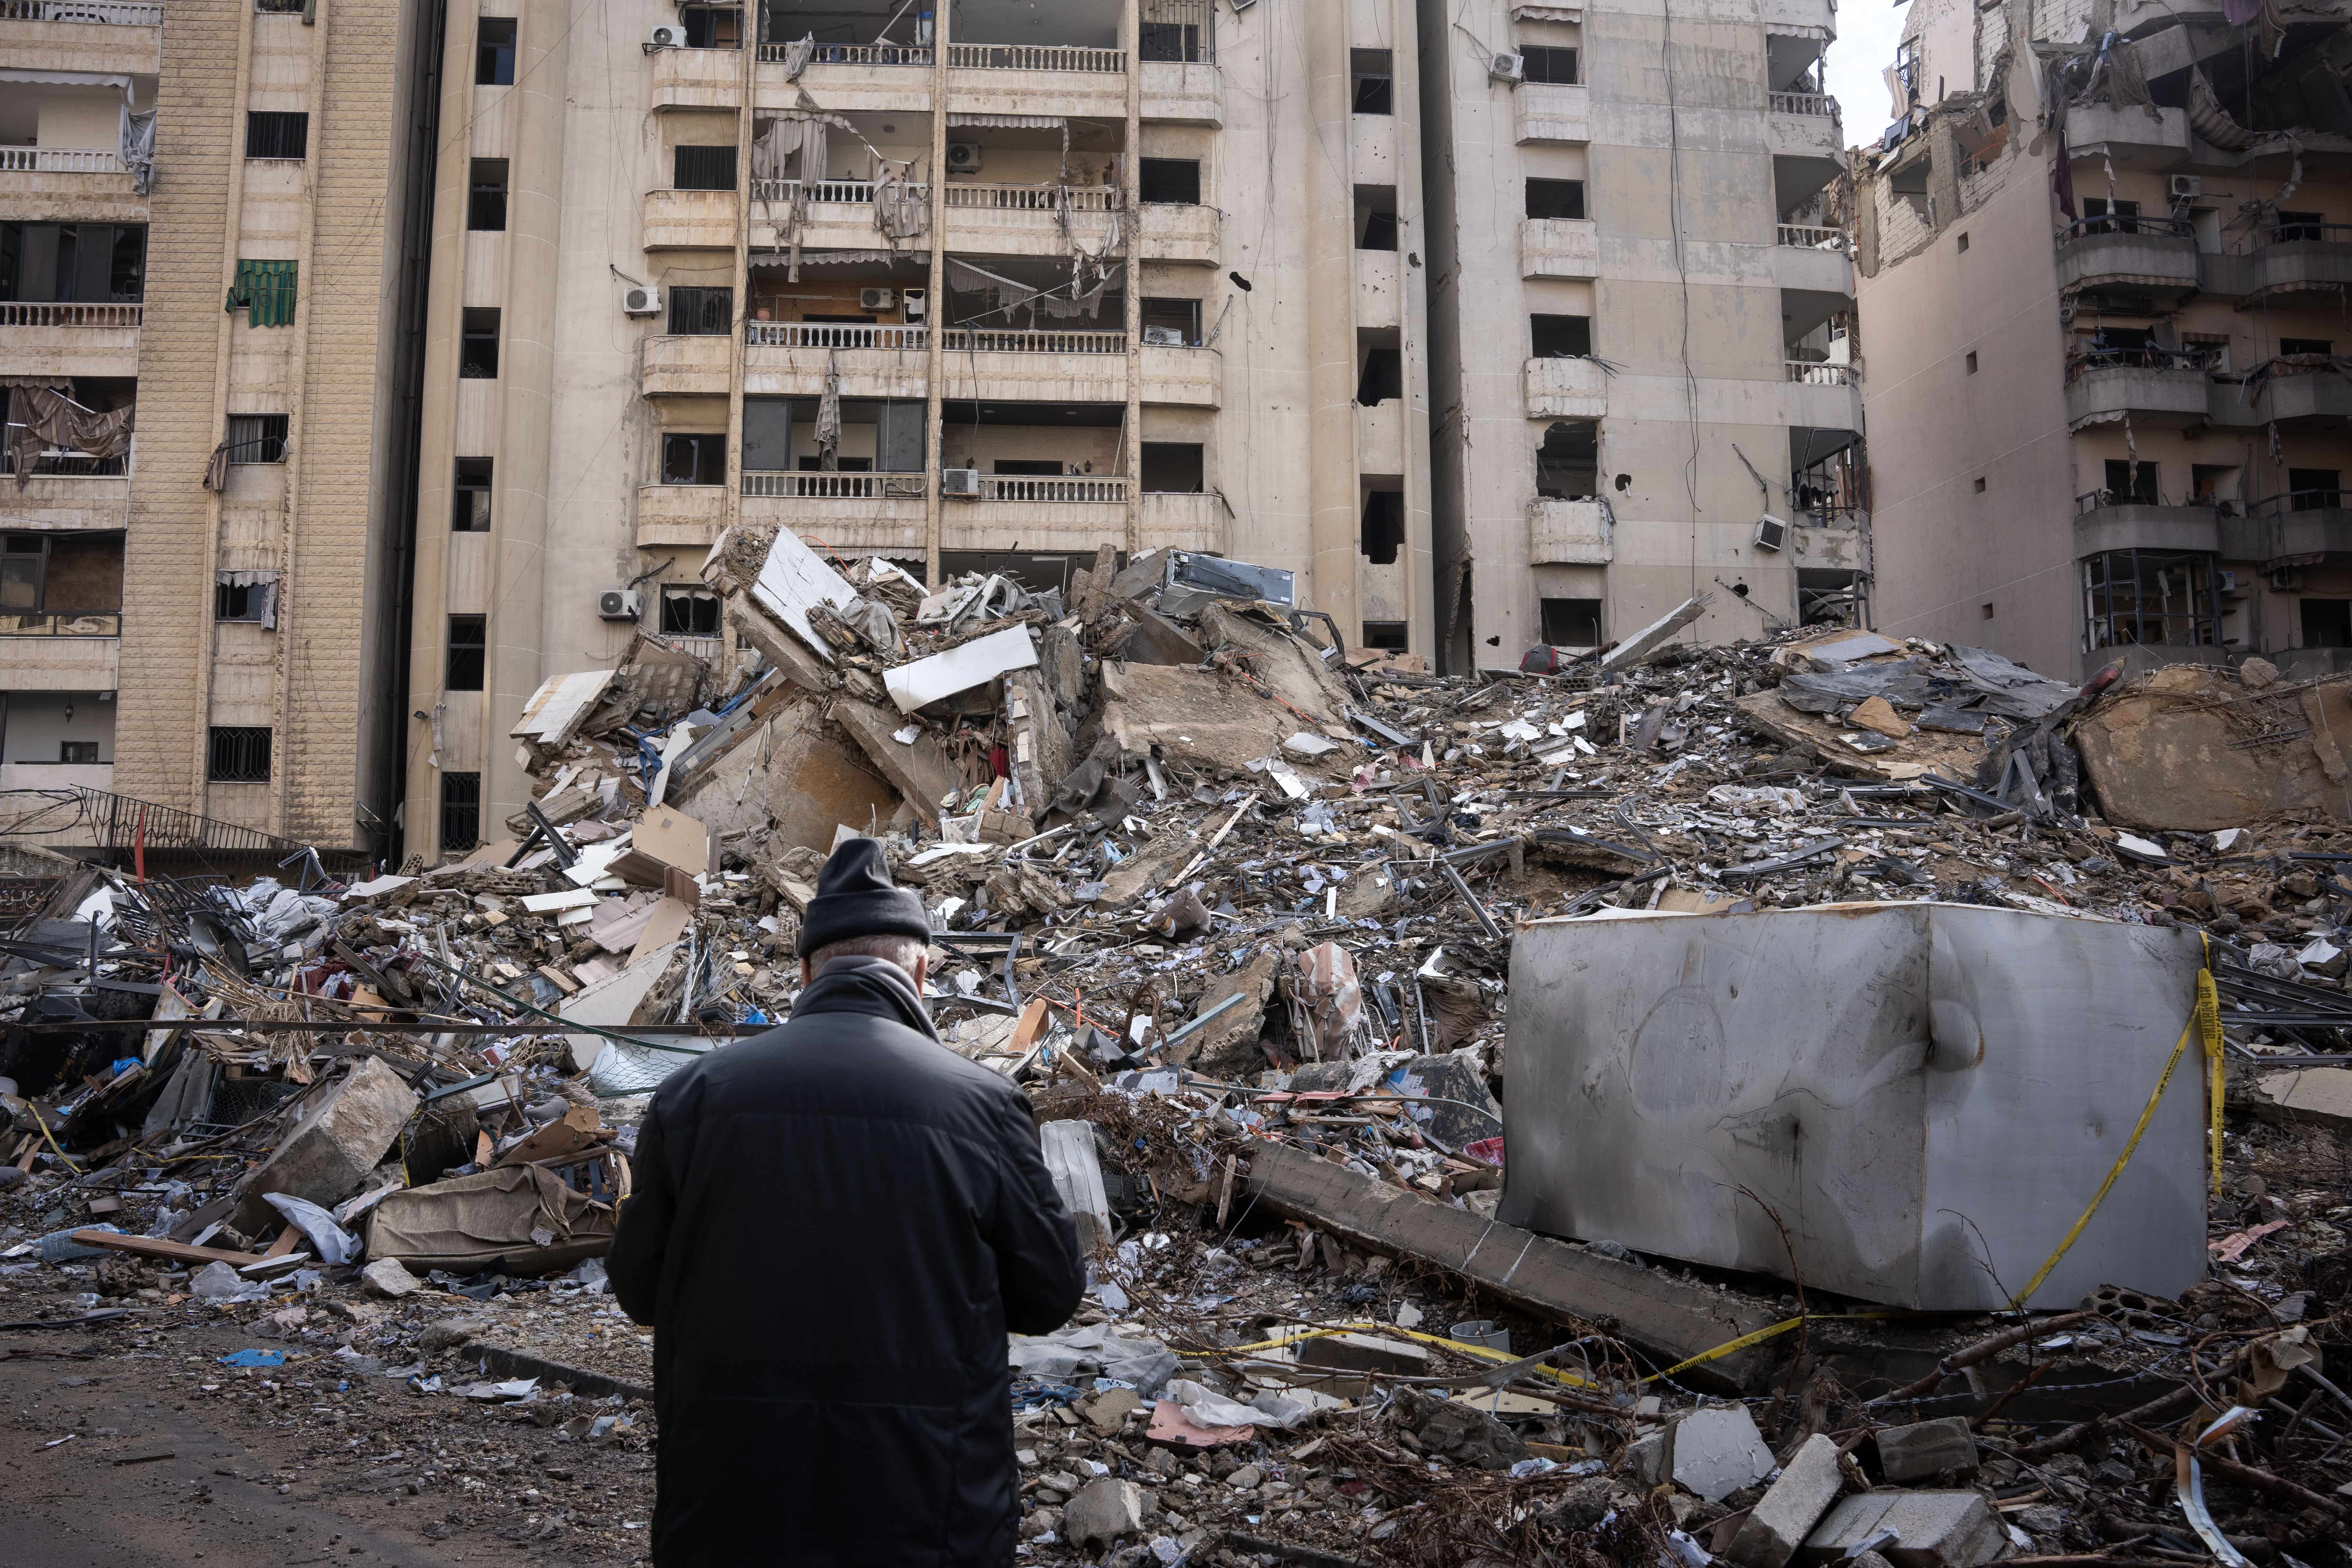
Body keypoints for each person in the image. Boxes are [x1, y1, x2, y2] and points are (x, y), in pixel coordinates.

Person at [608, 838, 1085, 1566]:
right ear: (920, 970)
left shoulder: (695, 1097)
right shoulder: (986, 1105)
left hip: (731, 1506)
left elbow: (640, 1290)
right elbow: (1050, 1296)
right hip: (928, 1506)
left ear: (805, 972)